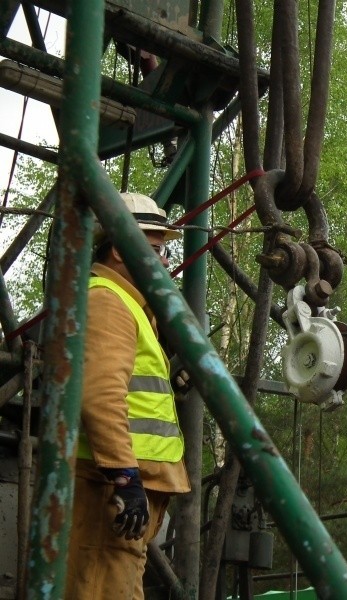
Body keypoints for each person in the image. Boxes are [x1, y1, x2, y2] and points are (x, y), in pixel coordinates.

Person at [66, 192, 190, 599]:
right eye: (156, 250)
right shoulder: (108, 300)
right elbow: (101, 395)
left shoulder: (130, 305)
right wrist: (124, 477)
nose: (166, 262)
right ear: (120, 249)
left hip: (120, 490)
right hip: (107, 491)